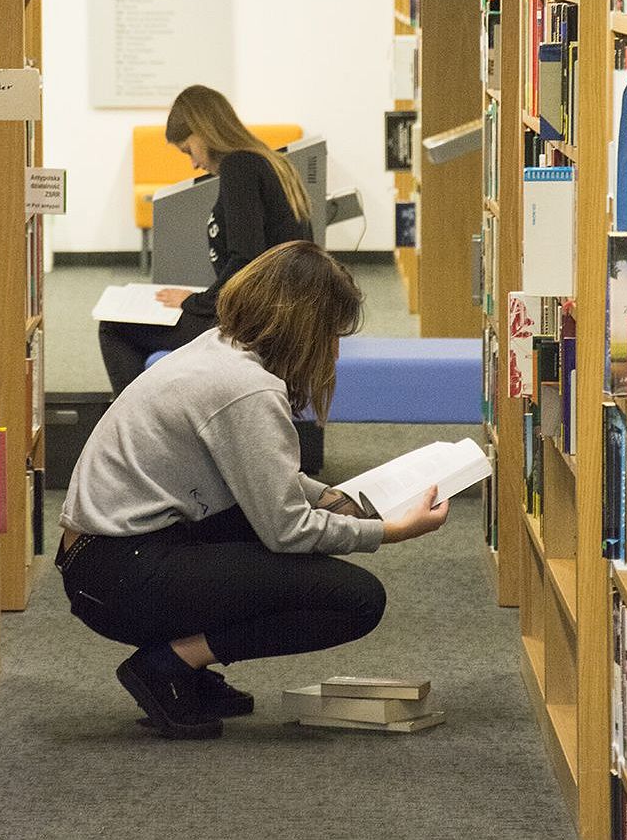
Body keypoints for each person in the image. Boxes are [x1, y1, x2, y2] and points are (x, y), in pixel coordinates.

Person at [58, 241, 450, 739]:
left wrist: (338, 499)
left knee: (273, 536)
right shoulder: (248, 389)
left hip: (107, 556)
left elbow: (261, 476)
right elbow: (287, 530)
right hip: (120, 576)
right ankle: (170, 664)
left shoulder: (218, 347)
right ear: (307, 330)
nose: (334, 349)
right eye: (331, 333)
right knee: (354, 599)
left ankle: (184, 666)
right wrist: (388, 531)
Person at [99, 85, 314, 396]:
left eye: (188, 150)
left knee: (113, 327)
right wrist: (199, 299)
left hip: (258, 327)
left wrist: (194, 302)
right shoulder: (265, 161)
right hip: (280, 317)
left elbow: (245, 259)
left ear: (203, 132)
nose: (194, 164)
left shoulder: (240, 167)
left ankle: (137, 425)